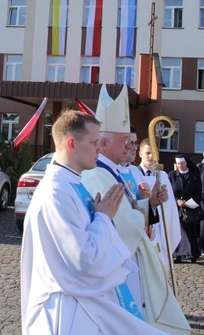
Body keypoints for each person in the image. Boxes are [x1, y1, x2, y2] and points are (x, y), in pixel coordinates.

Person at [20, 110, 164, 334]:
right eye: (94, 142)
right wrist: (104, 218)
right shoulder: (55, 193)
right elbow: (82, 258)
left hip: (82, 303)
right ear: (71, 144)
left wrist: (106, 217)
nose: (99, 148)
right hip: (67, 310)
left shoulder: (73, 183)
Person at [81, 86, 190, 333]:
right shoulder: (98, 173)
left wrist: (149, 204)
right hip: (116, 264)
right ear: (104, 142)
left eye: (132, 141)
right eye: (125, 141)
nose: (130, 146)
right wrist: (142, 213)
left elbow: (129, 212)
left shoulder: (118, 171)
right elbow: (122, 223)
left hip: (128, 259)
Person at [137, 138, 181, 268]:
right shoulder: (135, 174)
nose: (151, 157)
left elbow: (170, 206)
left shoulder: (162, 176)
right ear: (140, 154)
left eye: (154, 154)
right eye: (147, 153)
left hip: (162, 229)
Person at [169, 157, 202, 263]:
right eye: (178, 164)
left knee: (191, 232)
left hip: (190, 208)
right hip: (176, 208)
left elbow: (198, 191)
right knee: (178, 231)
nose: (180, 166)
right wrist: (177, 200)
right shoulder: (172, 175)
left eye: (182, 163)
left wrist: (187, 202)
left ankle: (192, 254)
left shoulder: (195, 176)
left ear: (186, 163)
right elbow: (169, 191)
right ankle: (177, 254)